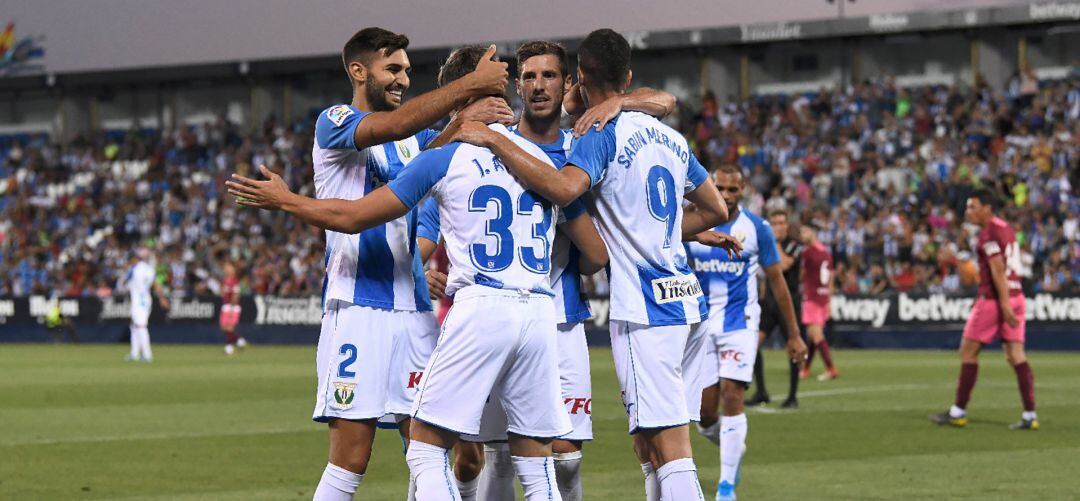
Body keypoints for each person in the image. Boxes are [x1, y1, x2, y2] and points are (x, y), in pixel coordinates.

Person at [228, 44, 609, 501]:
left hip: (477, 307)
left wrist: (285, 201)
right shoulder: (541, 163)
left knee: (427, 450)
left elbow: (356, 215)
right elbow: (594, 252)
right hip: (535, 313)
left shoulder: (441, 158)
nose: (405, 79)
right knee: (535, 460)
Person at [445, 29, 741, 501]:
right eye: (529, 77)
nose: (540, 85)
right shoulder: (667, 134)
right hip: (683, 297)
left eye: (552, 76)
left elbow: (565, 193)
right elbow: (714, 210)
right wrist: (658, 230)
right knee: (648, 446)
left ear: (574, 81)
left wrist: (497, 143)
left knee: (666, 445)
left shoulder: (591, 135)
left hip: (643, 308)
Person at [243, 27, 510, 501]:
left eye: (407, 70)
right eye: (393, 69)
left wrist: (475, 111)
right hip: (355, 309)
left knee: (430, 448)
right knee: (351, 458)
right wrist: (469, 86)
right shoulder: (336, 120)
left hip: (415, 312)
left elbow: (441, 149)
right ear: (358, 70)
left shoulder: (416, 140)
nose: (403, 78)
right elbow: (393, 126)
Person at [687, 165, 805, 501]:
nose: (725, 195)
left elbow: (778, 283)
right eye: (719, 188)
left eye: (732, 190)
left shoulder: (756, 228)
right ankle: (731, 449)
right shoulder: (690, 221)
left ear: (744, 191)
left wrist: (794, 334)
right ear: (709, 185)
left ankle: (726, 487)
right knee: (706, 417)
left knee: (733, 396)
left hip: (740, 324)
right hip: (700, 326)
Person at [931, 190, 1037, 430]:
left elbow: (998, 270)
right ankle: (1030, 415)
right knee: (1016, 355)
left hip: (995, 299)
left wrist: (1003, 304)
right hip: (1017, 295)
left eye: (973, 206)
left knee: (968, 352)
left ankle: (957, 412)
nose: (968, 211)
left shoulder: (988, 234)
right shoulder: (1006, 228)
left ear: (987, 208)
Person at [747, 209, 806, 408]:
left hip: (789, 303)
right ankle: (761, 391)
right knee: (753, 344)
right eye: (774, 223)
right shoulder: (768, 244)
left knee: (793, 347)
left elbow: (783, 266)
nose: (778, 227)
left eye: (781, 223)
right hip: (770, 303)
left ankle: (792, 396)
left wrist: (774, 243)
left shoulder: (794, 245)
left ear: (787, 226)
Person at [799, 222, 838, 381]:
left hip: (812, 297)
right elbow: (831, 278)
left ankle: (831, 368)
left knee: (816, 336)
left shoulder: (807, 252)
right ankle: (806, 369)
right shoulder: (826, 253)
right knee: (812, 336)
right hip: (823, 298)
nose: (801, 236)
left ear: (811, 233)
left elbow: (801, 275)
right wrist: (829, 301)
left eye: (804, 232)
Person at [118, 247, 169, 362]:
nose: (129, 262)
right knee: (135, 326)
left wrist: (125, 272)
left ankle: (147, 354)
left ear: (134, 259)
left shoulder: (134, 269)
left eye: (130, 260)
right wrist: (162, 298)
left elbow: (123, 283)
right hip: (146, 300)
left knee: (141, 326)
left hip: (138, 301)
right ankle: (135, 353)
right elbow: (155, 284)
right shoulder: (148, 269)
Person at [219, 263, 247, 356]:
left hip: (232, 307)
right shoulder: (225, 281)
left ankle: (229, 349)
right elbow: (222, 293)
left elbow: (236, 295)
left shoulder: (235, 282)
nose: (226, 270)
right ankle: (240, 341)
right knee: (224, 327)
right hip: (226, 305)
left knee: (230, 327)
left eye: (229, 268)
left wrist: (232, 307)